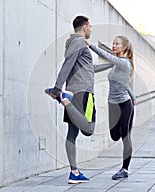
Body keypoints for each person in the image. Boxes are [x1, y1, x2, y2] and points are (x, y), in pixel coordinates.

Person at [46, 15, 112, 184]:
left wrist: (112, 63)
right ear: (84, 27)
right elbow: (67, 64)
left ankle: (74, 172)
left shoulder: (77, 44)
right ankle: (64, 100)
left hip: (76, 91)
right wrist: (57, 88)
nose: (90, 29)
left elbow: (90, 68)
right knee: (89, 129)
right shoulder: (79, 42)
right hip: (83, 94)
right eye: (90, 27)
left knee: (72, 133)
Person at [85, 36, 136, 180]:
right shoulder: (116, 64)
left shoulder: (124, 63)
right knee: (114, 135)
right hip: (112, 103)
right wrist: (134, 96)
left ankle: (124, 169)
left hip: (124, 105)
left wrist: (91, 46)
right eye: (113, 43)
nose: (113, 46)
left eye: (117, 44)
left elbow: (106, 56)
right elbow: (125, 83)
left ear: (124, 48)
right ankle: (123, 131)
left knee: (125, 137)